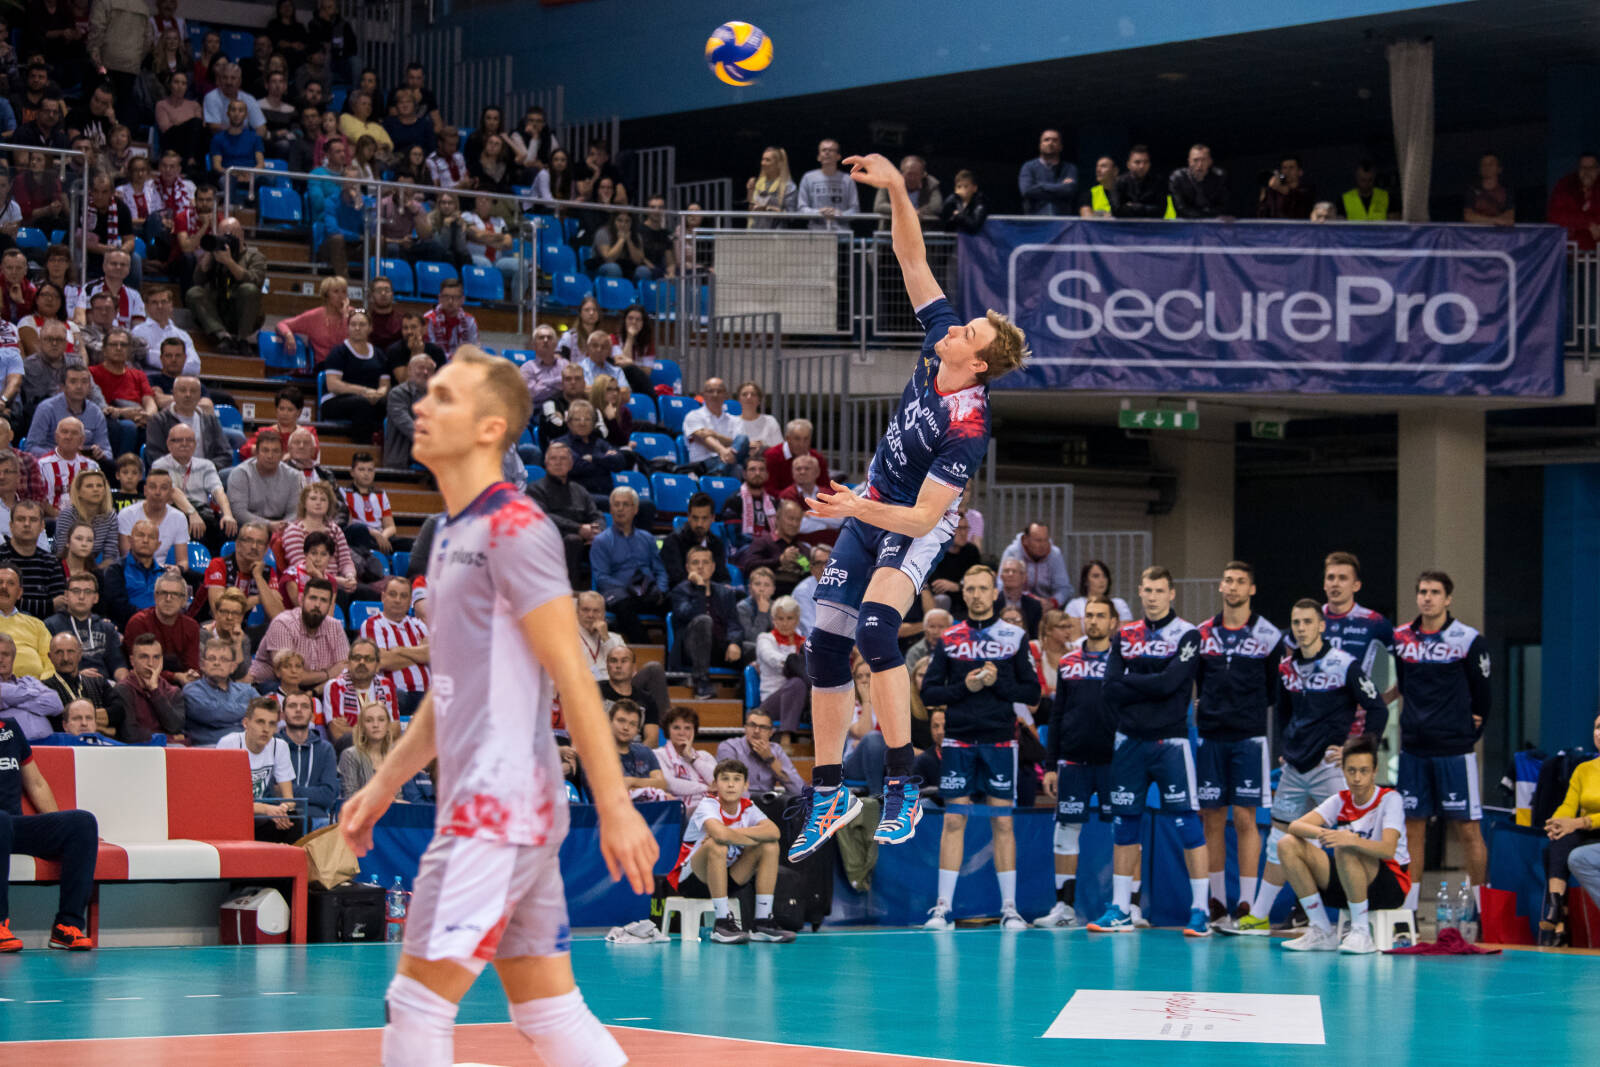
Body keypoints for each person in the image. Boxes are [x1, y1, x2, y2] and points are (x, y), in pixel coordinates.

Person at [338, 346, 655, 1067]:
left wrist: (615, 805)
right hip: (506, 807)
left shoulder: (516, 528)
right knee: (548, 1012)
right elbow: (450, 691)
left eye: (444, 396)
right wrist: (382, 787)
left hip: (497, 808)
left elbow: (573, 674)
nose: (422, 404)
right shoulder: (451, 532)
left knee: (415, 1005)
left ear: (489, 428)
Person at [787, 149, 1029, 862]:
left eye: (969, 333)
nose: (956, 327)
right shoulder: (939, 343)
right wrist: (896, 188)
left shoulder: (969, 425)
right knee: (824, 643)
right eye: (963, 325)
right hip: (873, 504)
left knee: (874, 628)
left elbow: (924, 519)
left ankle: (903, 784)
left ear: (977, 363)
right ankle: (829, 792)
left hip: (915, 522)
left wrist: (854, 509)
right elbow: (911, 256)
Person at [1229, 599, 1389, 936]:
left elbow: (1377, 708)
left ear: (1321, 626)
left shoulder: (1344, 664)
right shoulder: (1286, 668)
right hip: (1295, 769)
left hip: (1330, 768)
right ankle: (1260, 916)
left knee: (1348, 841)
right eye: (1296, 623)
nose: (1301, 629)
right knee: (1278, 840)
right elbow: (1283, 713)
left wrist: (1353, 749)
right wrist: (1286, 749)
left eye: (1307, 622)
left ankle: (1359, 923)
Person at [1086, 566, 1211, 937]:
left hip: (1171, 742)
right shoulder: (1125, 635)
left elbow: (1172, 683)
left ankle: (1200, 911)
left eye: (1159, 590)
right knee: (1125, 823)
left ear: (1171, 594)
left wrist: (1134, 682)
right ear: (1139, 592)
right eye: (1147, 590)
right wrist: (1151, 684)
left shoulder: (1188, 633)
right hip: (1128, 741)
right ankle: (1121, 909)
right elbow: (1109, 687)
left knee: (1187, 821)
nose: (1153, 596)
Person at [919, 565, 1040, 931]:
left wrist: (997, 683)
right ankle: (942, 908)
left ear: (994, 592)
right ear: (964, 593)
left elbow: (1032, 692)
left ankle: (1010, 909)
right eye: (969, 588)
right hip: (958, 740)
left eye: (982, 588)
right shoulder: (950, 637)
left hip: (1000, 741)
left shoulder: (1015, 637)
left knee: (1002, 821)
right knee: (954, 820)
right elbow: (929, 693)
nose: (975, 595)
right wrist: (965, 688)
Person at [1392, 570, 1491, 914]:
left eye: (1435, 592)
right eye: (1422, 591)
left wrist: (1467, 730)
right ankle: (1407, 913)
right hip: (1413, 750)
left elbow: (1483, 694)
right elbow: (1403, 684)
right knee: (1412, 830)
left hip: (1454, 750)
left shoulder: (1468, 639)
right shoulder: (1401, 638)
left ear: (1448, 599)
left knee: (1468, 829)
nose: (1427, 598)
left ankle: (1481, 912)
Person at [1194, 561, 1283, 929]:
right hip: (1211, 737)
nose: (1232, 587)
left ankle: (1247, 905)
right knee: (1212, 819)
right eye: (1227, 580)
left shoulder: (1269, 635)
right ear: (1221, 586)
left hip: (1249, 738)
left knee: (1246, 819)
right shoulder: (1202, 633)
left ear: (1252, 589)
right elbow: (1197, 680)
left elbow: (1275, 689)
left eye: (1240, 582)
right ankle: (1217, 903)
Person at [1277, 735, 1410, 955]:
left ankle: (1361, 933)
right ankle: (1321, 929)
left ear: (1375, 772)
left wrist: (1350, 840)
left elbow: (1388, 850)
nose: (1357, 778)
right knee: (1287, 844)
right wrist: (1328, 834)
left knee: (1345, 846)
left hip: (1390, 886)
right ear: (1343, 771)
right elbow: (1295, 826)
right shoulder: (1340, 799)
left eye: (1364, 771)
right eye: (1351, 771)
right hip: (1348, 881)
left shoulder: (1390, 799)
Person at [1036, 595, 1119, 928]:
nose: (1094, 620)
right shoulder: (1068, 662)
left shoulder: (1124, 661)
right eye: (1089, 615)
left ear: (1113, 622)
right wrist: (1050, 765)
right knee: (1066, 831)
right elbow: (1057, 716)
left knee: (1125, 831)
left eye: (1100, 615)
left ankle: (1130, 907)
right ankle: (1064, 908)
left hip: (1116, 762)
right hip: (1073, 762)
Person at [0, 712, 100, 952]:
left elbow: (36, 784)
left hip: (11, 827)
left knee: (82, 823)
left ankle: (67, 926)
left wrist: (56, 827)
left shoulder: (10, 728)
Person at [668, 758, 794, 944]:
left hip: (727, 879)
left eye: (736, 779)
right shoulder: (708, 805)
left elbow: (774, 832)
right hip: (692, 880)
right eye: (725, 779)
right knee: (716, 845)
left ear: (746, 785)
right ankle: (722, 923)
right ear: (715, 784)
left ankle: (763, 921)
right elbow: (720, 835)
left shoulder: (748, 807)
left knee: (769, 846)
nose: (731, 784)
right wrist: (749, 836)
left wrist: (732, 834)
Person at [1319, 550, 1395, 733]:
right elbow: (1289, 658)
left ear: (1356, 585)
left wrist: (1383, 698)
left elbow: (1407, 662)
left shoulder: (1374, 622)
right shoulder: (1311, 619)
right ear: (1324, 584)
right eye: (1331, 577)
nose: (1335, 583)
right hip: (1317, 721)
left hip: (1357, 724)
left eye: (1343, 578)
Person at [1541, 715, 1600, 945]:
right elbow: (1568, 804)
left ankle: (1558, 919)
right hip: (1587, 832)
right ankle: (1556, 910)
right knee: (1558, 841)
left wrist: (1578, 823)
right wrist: (1556, 823)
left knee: (1567, 847)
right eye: (1597, 727)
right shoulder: (1584, 769)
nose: (1599, 732)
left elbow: (1578, 822)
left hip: (1589, 827)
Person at [589, 485, 667, 644]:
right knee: (622, 606)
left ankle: (675, 655)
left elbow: (660, 571)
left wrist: (661, 589)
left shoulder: (647, 538)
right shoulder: (601, 541)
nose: (620, 509)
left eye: (625, 504)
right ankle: (647, 651)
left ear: (635, 509)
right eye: (616, 504)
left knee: (676, 601)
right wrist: (631, 587)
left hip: (648, 592)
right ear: (611, 509)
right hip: (620, 594)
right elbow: (601, 578)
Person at [217, 697, 300, 842]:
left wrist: (282, 810)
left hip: (260, 816)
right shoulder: (229, 743)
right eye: (260, 722)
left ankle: (283, 857)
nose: (266, 729)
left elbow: (289, 799)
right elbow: (224, 801)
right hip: (231, 816)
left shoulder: (279, 746)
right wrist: (266, 809)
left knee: (296, 819)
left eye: (271, 724)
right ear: (246, 723)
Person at [246, 577, 349, 691]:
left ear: (330, 606)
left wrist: (316, 691)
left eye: (323, 600)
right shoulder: (283, 623)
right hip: (271, 684)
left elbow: (344, 669)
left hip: (315, 687)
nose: (317, 605)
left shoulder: (335, 626)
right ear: (302, 600)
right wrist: (328, 674)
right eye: (313, 598)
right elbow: (289, 674)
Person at [183, 217, 266, 354]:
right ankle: (223, 336)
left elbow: (255, 281)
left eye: (231, 234)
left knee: (249, 289)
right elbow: (197, 280)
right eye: (223, 234)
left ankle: (243, 339)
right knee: (194, 292)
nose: (227, 238)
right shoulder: (215, 255)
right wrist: (210, 253)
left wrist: (229, 262)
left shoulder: (254, 256)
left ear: (241, 234)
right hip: (217, 311)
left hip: (243, 313)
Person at [151, 423, 235, 551]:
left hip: (203, 514)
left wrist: (227, 514)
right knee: (193, 528)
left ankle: (217, 563)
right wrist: (192, 513)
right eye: (179, 440)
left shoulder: (206, 465)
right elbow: (172, 491)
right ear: (169, 444)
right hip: (175, 513)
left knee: (229, 528)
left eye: (189, 440)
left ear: (195, 444)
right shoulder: (160, 465)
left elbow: (218, 491)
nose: (184, 444)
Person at [339, 700, 428, 802]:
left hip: (395, 811)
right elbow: (349, 796)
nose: (375, 725)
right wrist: (388, 801)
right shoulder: (350, 755)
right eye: (369, 720)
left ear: (388, 725)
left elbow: (400, 796)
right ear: (362, 727)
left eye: (381, 720)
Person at [122, 569, 201, 681]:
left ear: (184, 600)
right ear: (155, 597)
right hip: (141, 683)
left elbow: (192, 667)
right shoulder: (138, 623)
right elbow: (140, 669)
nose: (168, 599)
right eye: (163, 593)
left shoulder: (191, 627)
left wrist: (191, 675)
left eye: (175, 594)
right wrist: (175, 676)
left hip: (182, 684)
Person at [45, 575, 126, 682]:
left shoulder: (107, 627)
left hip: (104, 684)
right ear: (66, 595)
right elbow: (48, 666)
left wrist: (123, 683)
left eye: (88, 592)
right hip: (68, 683)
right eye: (76, 591)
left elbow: (118, 665)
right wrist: (77, 675)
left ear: (96, 598)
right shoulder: (50, 625)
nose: (81, 596)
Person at [277, 689, 338, 829]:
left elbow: (328, 796)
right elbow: (271, 793)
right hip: (281, 818)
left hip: (317, 819)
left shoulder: (325, 749)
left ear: (312, 716)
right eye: (292, 706)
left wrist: (288, 790)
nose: (298, 710)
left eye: (304, 706)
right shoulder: (272, 746)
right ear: (282, 715)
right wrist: (313, 793)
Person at [202, 520, 283, 622]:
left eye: (260, 543)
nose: (254, 547)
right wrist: (259, 598)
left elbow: (279, 617)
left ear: (266, 549)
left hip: (249, 628)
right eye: (248, 541)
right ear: (238, 544)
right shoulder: (218, 564)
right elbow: (219, 612)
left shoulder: (267, 571)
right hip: (214, 625)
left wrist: (258, 577)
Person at [113, 632, 185, 743]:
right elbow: (130, 734)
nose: (151, 664)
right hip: (139, 749)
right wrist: (168, 738)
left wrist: (155, 691)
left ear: (162, 661)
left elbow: (175, 727)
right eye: (144, 657)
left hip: (170, 749)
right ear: (132, 661)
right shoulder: (123, 690)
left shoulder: (173, 691)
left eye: (156, 657)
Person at [717, 708, 803, 797]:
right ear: (745, 728)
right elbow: (729, 787)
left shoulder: (776, 750)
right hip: (740, 802)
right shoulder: (730, 747)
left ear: (771, 733)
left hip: (768, 802)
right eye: (752, 725)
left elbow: (799, 790)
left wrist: (771, 759)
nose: (756, 731)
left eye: (763, 727)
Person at [182, 640, 253, 746]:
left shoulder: (247, 690)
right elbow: (213, 714)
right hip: (209, 748)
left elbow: (263, 713)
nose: (217, 663)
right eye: (211, 658)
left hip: (245, 747)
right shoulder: (192, 690)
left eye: (223, 659)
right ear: (202, 664)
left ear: (233, 667)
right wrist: (248, 710)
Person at [0, 501, 64, 617]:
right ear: (11, 525)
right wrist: (48, 606)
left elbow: (60, 605)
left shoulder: (51, 562)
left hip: (43, 626)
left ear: (42, 526)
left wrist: (19, 603)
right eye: (21, 519)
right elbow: (3, 603)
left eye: (33, 520)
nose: (27, 524)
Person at [227, 430, 300, 532]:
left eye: (275, 451)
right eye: (265, 450)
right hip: (247, 525)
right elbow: (239, 512)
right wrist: (268, 525)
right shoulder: (240, 473)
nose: (270, 456)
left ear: (282, 454)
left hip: (282, 526)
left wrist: (283, 526)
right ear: (256, 453)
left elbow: (294, 512)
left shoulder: (294, 476)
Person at [734, 497, 809, 596]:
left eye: (798, 520)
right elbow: (749, 566)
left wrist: (801, 561)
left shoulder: (802, 548)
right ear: (777, 519)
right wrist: (780, 561)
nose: (794, 524)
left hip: (798, 598)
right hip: (767, 597)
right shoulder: (763, 542)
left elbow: (809, 571)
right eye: (791, 518)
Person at [98, 519, 164, 627]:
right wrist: (149, 619)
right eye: (140, 535)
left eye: (151, 537)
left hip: (160, 626)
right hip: (128, 626)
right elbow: (117, 606)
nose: (145, 540)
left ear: (158, 544)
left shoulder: (164, 574)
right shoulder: (115, 570)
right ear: (130, 540)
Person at [655, 705, 716, 812]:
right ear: (667, 730)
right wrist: (706, 788)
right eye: (676, 728)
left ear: (694, 731)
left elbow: (717, 781)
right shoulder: (658, 754)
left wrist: (693, 759)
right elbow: (670, 784)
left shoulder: (704, 756)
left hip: (711, 808)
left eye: (687, 728)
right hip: (678, 811)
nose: (682, 733)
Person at [681, 377, 744, 475]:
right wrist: (723, 450)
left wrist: (716, 435)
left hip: (729, 463)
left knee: (743, 439)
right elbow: (704, 438)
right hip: (703, 465)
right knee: (737, 469)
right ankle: (720, 471)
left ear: (726, 395)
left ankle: (720, 471)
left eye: (719, 391)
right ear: (703, 394)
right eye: (710, 391)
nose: (715, 395)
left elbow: (738, 443)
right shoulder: (694, 416)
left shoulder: (734, 420)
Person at [1001, 522, 1071, 609]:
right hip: (1018, 604)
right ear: (1026, 540)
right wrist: (1031, 600)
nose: (1042, 545)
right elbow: (1002, 584)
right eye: (1038, 540)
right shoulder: (1013, 552)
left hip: (1048, 606)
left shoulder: (1055, 554)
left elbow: (1063, 588)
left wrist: (1053, 602)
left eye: (1045, 540)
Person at [796, 138, 858, 230]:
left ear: (838, 156)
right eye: (824, 150)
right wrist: (818, 212)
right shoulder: (808, 178)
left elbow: (855, 209)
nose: (827, 153)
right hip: (816, 232)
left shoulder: (848, 179)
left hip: (842, 233)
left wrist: (839, 214)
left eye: (831, 150)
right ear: (818, 156)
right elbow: (801, 208)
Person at [720, 454, 778, 551]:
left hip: (771, 550)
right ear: (744, 474)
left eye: (761, 470)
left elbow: (781, 533)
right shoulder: (734, 501)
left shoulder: (774, 502)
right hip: (745, 551)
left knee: (798, 554)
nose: (757, 473)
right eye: (752, 469)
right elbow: (735, 538)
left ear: (767, 475)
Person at [761, 418, 829, 495]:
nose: (802, 444)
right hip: (783, 500)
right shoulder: (771, 456)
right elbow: (768, 490)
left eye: (806, 439)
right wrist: (792, 498)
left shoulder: (817, 458)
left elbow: (825, 488)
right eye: (797, 439)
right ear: (788, 439)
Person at [1019, 129, 1078, 216]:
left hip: (1062, 221)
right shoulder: (1028, 167)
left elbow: (1069, 190)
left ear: (1061, 146)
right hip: (1035, 220)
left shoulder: (1070, 168)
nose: (1050, 143)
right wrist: (1060, 187)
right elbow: (1026, 191)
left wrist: (1040, 186)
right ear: (1040, 145)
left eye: (1055, 140)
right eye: (1046, 140)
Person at [1547, 152, 1599, 251]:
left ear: (1598, 170)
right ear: (1578, 170)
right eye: (1583, 168)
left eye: (1591, 168)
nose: (1587, 172)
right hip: (1568, 252)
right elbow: (1555, 216)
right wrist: (1588, 223)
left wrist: (1575, 220)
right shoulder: (1565, 186)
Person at [872, 155, 943, 228]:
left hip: (922, 230)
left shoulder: (931, 184)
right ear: (901, 173)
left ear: (923, 175)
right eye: (909, 174)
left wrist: (921, 212)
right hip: (891, 230)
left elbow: (937, 206)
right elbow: (879, 206)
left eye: (916, 174)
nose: (912, 178)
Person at [1064, 559, 1134, 624]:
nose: (1102, 580)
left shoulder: (1119, 604)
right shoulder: (1074, 606)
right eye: (1096, 576)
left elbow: (1126, 631)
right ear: (1086, 580)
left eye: (1105, 576)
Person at [1170, 144, 1228, 219]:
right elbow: (1180, 208)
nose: (1200, 165)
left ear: (1210, 161)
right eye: (1195, 160)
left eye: (1203, 160)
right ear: (1189, 161)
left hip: (1213, 221)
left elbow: (1224, 206)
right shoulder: (1178, 178)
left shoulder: (1220, 177)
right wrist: (1206, 215)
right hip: (1187, 221)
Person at [422, 277, 478, 353]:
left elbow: (474, 349)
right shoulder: (429, 319)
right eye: (446, 297)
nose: (450, 301)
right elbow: (430, 351)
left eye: (455, 297)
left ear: (462, 300)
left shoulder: (470, 320)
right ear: (440, 298)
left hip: (462, 359)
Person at [1256, 154, 1316, 220]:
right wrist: (1264, 195)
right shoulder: (1273, 191)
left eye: (1291, 168)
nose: (1287, 171)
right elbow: (1262, 215)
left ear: (1300, 172)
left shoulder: (1307, 189)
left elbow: (1298, 200)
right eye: (1284, 168)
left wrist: (1279, 187)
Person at [1463, 152, 1514, 227]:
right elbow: (1468, 216)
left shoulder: (1506, 191)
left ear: (1499, 169)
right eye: (1483, 164)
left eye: (1491, 164)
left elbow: (1509, 217)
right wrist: (1495, 221)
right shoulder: (1472, 190)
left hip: (1500, 233)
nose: (1486, 167)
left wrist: (1500, 221)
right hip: (1476, 233)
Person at [940, 170, 988, 235]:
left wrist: (958, 215)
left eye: (966, 186)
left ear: (975, 188)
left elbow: (974, 227)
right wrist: (951, 198)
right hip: (958, 240)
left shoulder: (980, 202)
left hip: (979, 239)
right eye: (959, 187)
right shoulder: (953, 201)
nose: (962, 190)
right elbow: (945, 226)